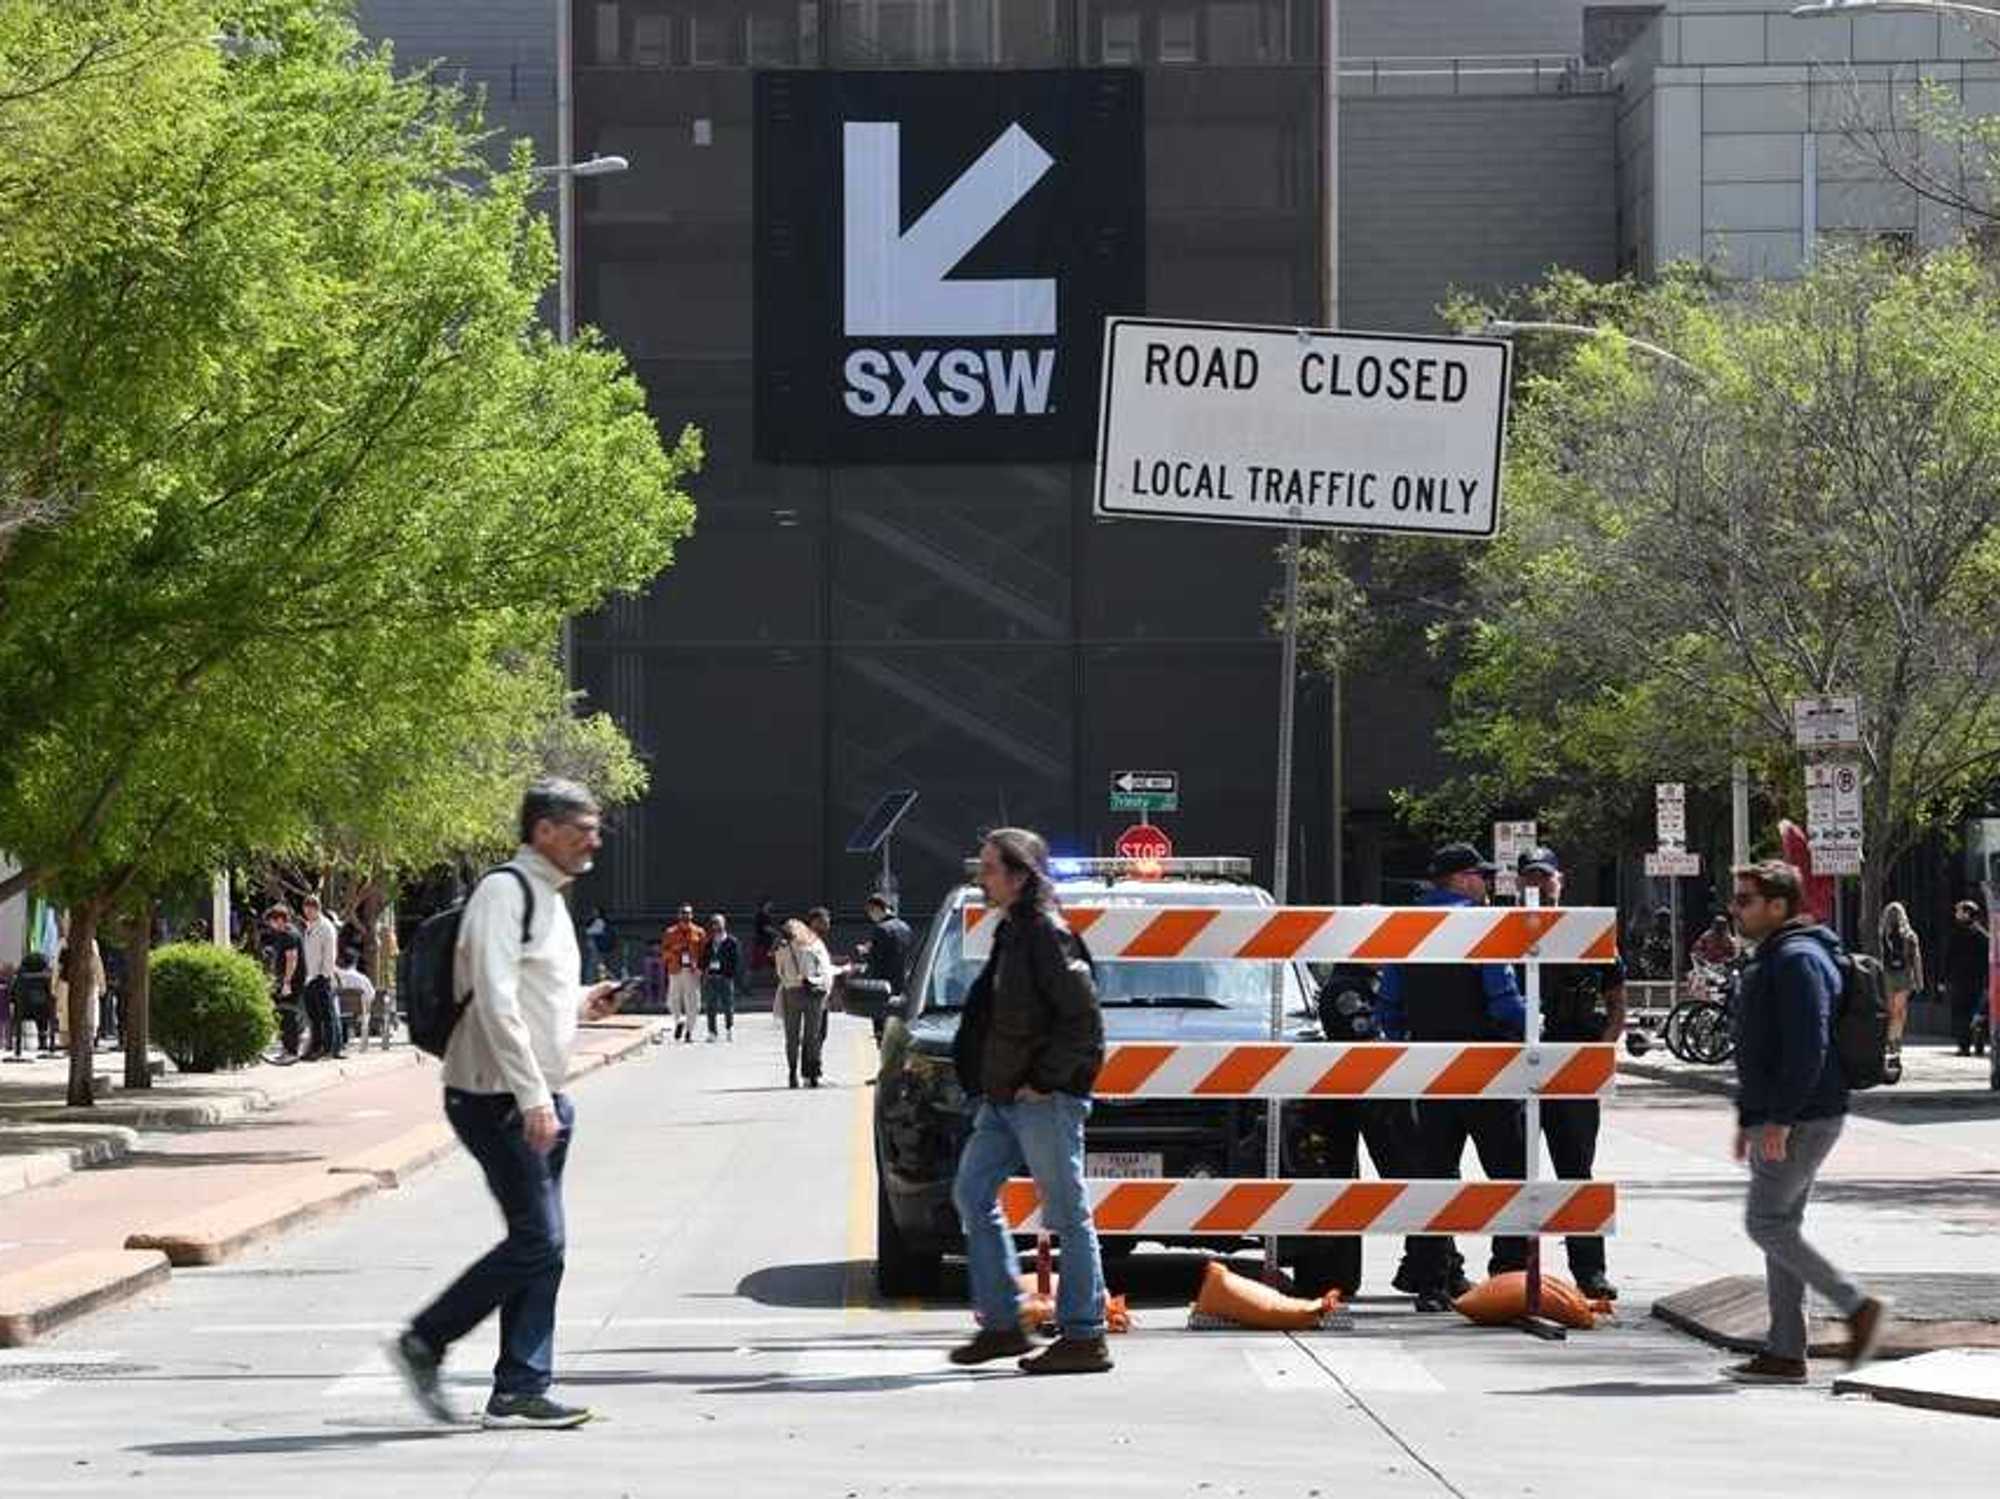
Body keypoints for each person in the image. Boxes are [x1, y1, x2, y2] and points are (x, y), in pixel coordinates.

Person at [388, 778, 627, 1430]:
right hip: (496, 1097)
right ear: (543, 830)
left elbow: (529, 995)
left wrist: (583, 1003)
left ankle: (520, 1385)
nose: (594, 840)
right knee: (537, 1240)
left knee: (545, 1244)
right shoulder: (505, 892)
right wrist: (531, 1098)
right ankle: (427, 1340)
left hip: (537, 1097)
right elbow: (494, 1002)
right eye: (583, 827)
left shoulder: (548, 898)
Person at [948, 827, 1112, 1375]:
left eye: (991, 867)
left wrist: (1045, 1080)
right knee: (972, 1193)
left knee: (1066, 1212)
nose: (982, 877)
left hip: (1041, 1099)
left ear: (1020, 875)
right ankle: (1003, 1323)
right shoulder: (1013, 930)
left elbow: (1083, 1020)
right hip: (1004, 1098)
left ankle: (1085, 1334)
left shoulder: (1045, 934)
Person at [1723, 859, 1886, 1384]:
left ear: (1778, 906)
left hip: (1804, 1116)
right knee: (1781, 1228)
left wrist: (1778, 1119)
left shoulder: (1796, 959)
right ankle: (1786, 1351)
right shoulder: (1781, 955)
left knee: (1766, 1224)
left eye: (1746, 900)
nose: (1735, 909)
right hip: (1790, 1114)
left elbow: (1806, 1046)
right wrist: (1752, 1117)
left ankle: (1856, 1306)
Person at [1376, 842, 1527, 1312]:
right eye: (1480, 877)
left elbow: (1389, 1005)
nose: (1485, 885)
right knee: (1509, 1173)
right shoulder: (1479, 925)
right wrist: (1536, 1036)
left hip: (1428, 1069)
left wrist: (1408, 1050)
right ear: (1461, 879)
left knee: (1433, 1175)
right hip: (1485, 1070)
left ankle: (1432, 1281)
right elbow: (1503, 1000)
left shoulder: (1406, 927)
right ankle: (1510, 1278)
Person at [1516, 846, 1624, 1301]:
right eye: (1530, 878)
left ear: (1560, 880)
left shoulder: (1588, 933)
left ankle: (1589, 1270)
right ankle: (1511, 1270)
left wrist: (1600, 1053)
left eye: (1546, 877)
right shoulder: (1498, 932)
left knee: (1574, 1168)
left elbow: (1618, 1002)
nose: (1539, 885)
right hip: (1513, 1066)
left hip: (1574, 1061)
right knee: (1513, 1170)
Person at [773, 916, 833, 1088]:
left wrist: (791, 982)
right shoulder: (815, 945)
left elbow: (780, 972)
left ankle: (792, 1072)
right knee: (812, 1036)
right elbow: (825, 970)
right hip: (814, 994)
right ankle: (812, 1074)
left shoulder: (781, 949)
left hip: (791, 992)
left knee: (791, 1036)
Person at [859, 894, 914, 1043]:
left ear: (877, 909)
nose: (870, 916)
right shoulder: (905, 927)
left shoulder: (880, 929)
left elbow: (875, 959)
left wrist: (865, 952)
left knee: (882, 1034)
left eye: (870, 912)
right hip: (902, 985)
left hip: (881, 988)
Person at [301, 894, 346, 1060]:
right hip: (309, 976)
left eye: (310, 910)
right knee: (314, 1016)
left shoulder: (326, 927)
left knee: (325, 1015)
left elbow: (329, 953)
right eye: (305, 910)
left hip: (320, 976)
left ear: (316, 909)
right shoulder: (309, 926)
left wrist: (325, 974)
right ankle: (315, 1047)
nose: (307, 914)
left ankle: (327, 1049)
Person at [1877, 901, 1923, 1054]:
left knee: (1890, 1011)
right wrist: (1919, 980)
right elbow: (1916, 959)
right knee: (1900, 1011)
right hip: (1905, 975)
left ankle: (1890, 1039)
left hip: (1887, 975)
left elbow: (1877, 958)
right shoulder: (1910, 935)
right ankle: (1896, 1038)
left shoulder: (1882, 935)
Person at [1944, 901, 1989, 1058]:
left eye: (1959, 912)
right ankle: (1976, 1044)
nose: (1956, 914)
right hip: (1973, 980)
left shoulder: (1959, 934)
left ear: (1968, 914)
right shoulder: (1982, 935)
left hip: (1964, 980)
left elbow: (1948, 958)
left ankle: (1965, 1045)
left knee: (1963, 1013)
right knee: (1975, 1013)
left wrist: (1945, 978)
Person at [659, 904, 707, 1044]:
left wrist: (701, 967)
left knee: (693, 1002)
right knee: (673, 999)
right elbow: (664, 952)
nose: (686, 916)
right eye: (683, 913)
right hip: (675, 970)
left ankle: (689, 1031)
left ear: (692, 915)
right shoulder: (670, 932)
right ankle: (679, 1021)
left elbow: (705, 953)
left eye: (688, 913)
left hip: (691, 971)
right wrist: (674, 951)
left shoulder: (699, 932)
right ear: (678, 915)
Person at [261, 905, 305, 1040]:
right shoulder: (282, 934)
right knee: (281, 1012)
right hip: (286, 979)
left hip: (293, 980)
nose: (271, 925)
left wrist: (287, 982)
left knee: (288, 1015)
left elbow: (292, 959)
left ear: (280, 919)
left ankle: (291, 1048)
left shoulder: (290, 935)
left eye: (272, 921)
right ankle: (287, 1046)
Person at [702, 913, 741, 1042]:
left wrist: (730, 974)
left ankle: (730, 1029)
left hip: (725, 977)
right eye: (713, 923)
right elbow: (704, 959)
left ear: (724, 924)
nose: (715, 926)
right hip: (712, 977)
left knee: (728, 1005)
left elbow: (736, 960)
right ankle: (712, 1032)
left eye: (718, 923)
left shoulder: (731, 942)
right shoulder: (709, 942)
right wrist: (704, 971)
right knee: (710, 1006)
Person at [584, 907, 618, 982]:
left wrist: (588, 929)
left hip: (596, 946)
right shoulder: (600, 921)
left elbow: (590, 931)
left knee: (594, 964)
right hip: (599, 947)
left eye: (595, 911)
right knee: (600, 964)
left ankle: (591, 980)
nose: (593, 913)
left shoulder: (599, 921)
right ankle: (606, 979)